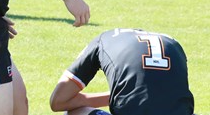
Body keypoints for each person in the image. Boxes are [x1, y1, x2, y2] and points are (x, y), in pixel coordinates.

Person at [49, 28, 194, 115]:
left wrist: (119, 96)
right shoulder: (174, 44)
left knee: (74, 112)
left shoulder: (103, 40)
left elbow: (59, 101)